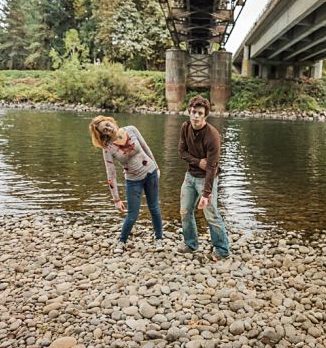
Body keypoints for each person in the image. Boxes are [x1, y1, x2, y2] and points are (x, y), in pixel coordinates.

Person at [89, 116, 163, 253]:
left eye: (107, 124)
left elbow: (146, 148)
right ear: (103, 134)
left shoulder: (131, 129)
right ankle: (121, 241)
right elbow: (111, 174)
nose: (108, 128)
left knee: (154, 207)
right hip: (133, 181)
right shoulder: (108, 148)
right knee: (132, 214)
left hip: (150, 172)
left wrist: (157, 167)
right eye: (104, 129)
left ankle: (159, 238)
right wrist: (116, 199)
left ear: (111, 121)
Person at [177, 96, 230, 259]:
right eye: (193, 112)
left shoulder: (212, 135)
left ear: (205, 115)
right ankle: (191, 244)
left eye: (200, 113)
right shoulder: (185, 127)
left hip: (207, 178)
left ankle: (222, 250)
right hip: (190, 176)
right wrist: (198, 162)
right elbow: (182, 152)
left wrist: (206, 194)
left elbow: (212, 167)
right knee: (185, 211)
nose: (196, 116)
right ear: (189, 112)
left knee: (211, 214)